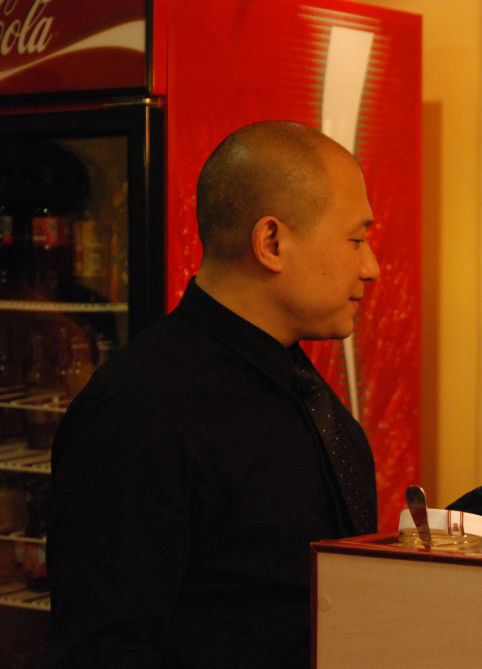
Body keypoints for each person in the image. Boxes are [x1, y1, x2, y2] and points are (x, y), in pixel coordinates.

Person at [45, 121, 381, 667]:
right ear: (272, 242)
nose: (372, 268)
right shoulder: (140, 412)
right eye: (356, 240)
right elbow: (102, 648)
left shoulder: (296, 381)